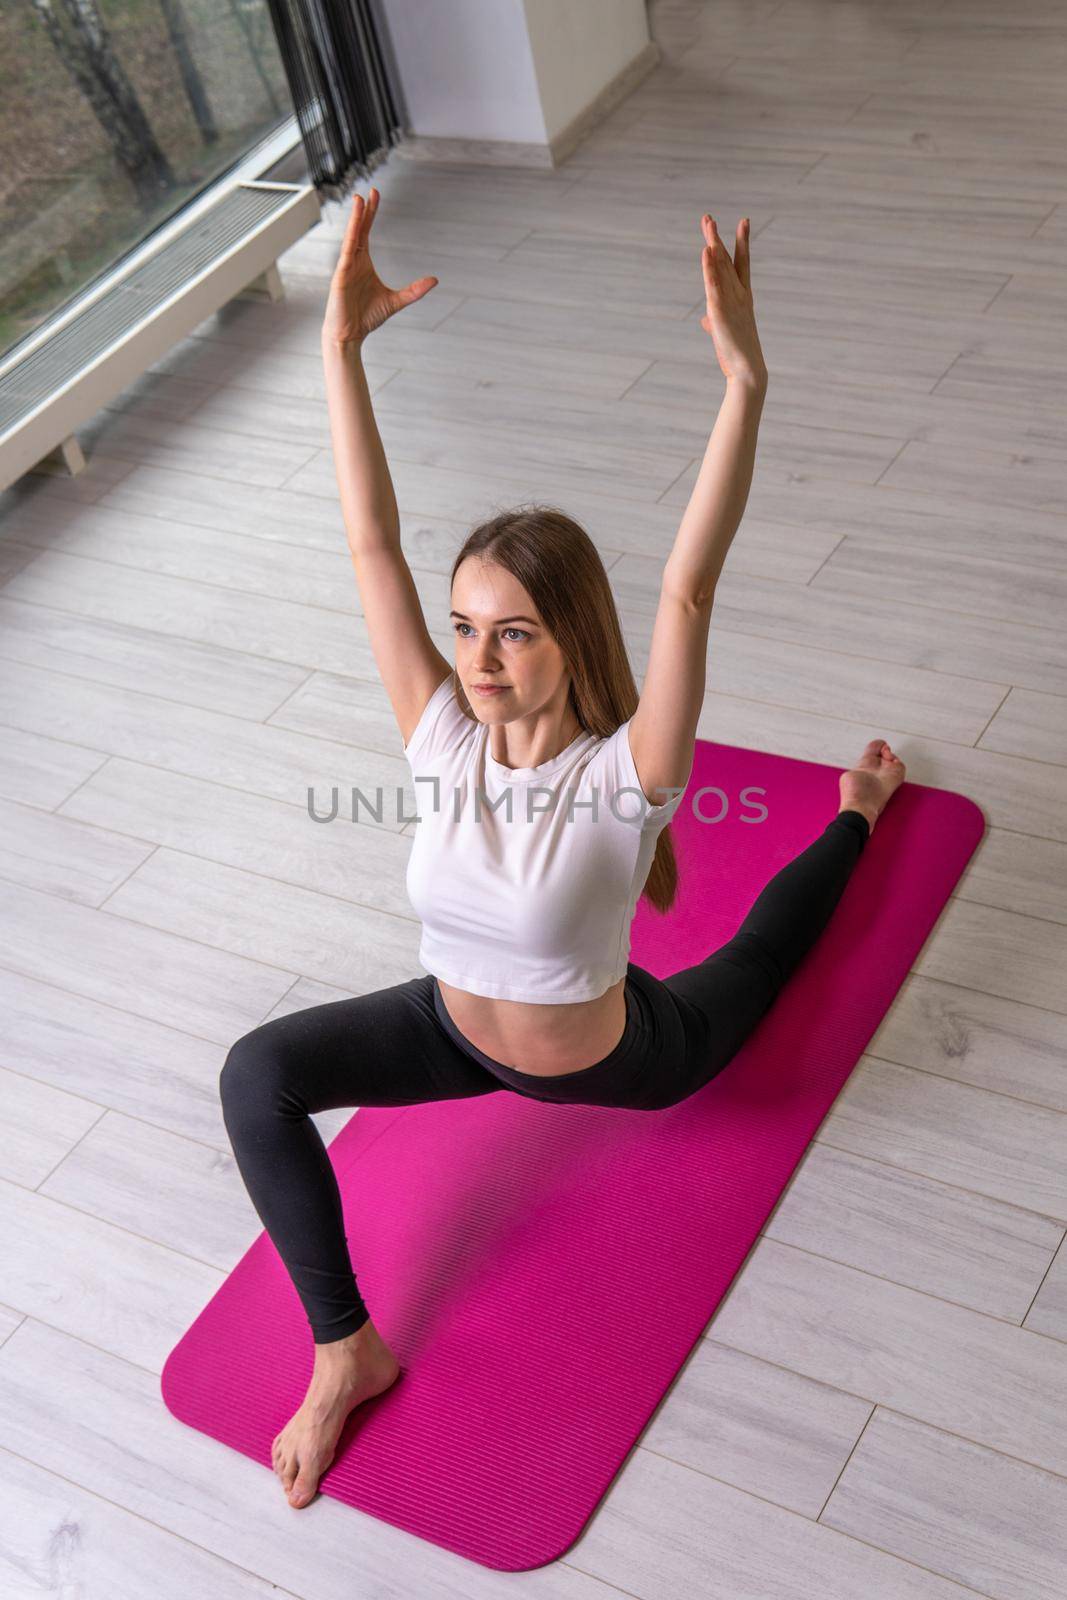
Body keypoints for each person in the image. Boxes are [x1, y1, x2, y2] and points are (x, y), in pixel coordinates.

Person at [218, 189, 906, 1510]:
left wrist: (745, 384)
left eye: (512, 631)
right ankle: (342, 1346)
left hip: (621, 1063)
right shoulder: (439, 735)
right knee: (259, 1076)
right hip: (448, 1034)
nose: (475, 657)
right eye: (466, 626)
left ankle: (859, 817)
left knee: (759, 958)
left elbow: (687, 587)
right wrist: (339, 351)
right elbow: (369, 540)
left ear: (568, 639)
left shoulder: (625, 778)